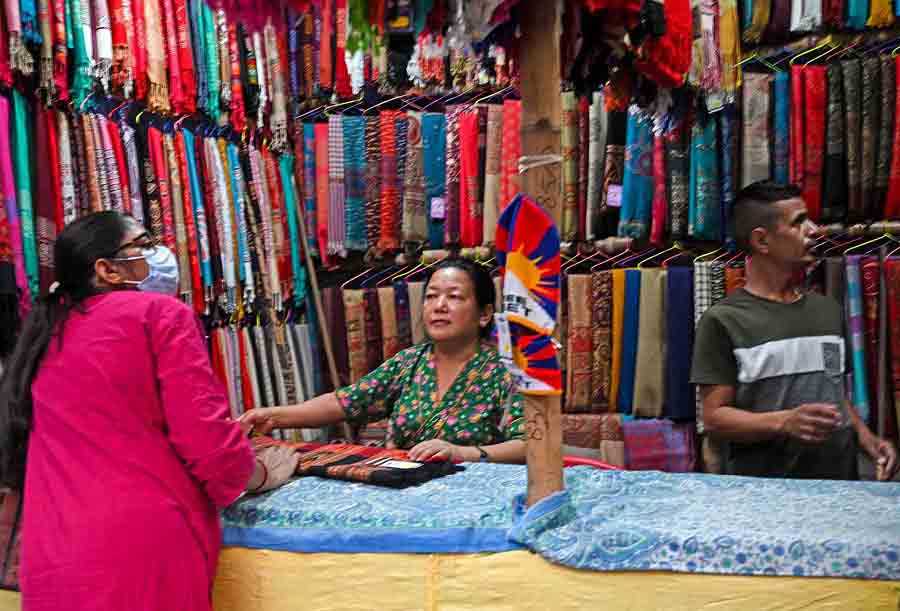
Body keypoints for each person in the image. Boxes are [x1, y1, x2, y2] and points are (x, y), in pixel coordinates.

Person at [0, 212, 297, 611]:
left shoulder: (44, 333)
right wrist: (260, 474)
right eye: (142, 245)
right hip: (137, 548)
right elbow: (206, 441)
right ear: (106, 269)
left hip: (53, 550)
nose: (157, 252)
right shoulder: (158, 315)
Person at [691, 182, 898, 480]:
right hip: (767, 494)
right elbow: (714, 419)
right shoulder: (724, 321)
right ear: (762, 241)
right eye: (799, 222)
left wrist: (867, 439)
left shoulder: (827, 310)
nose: (814, 230)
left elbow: (834, 390)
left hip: (839, 485)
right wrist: (784, 421)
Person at [240, 258, 527, 463]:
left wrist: (463, 453)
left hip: (473, 498)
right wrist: (274, 416)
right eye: (431, 296)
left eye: (454, 297)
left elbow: (527, 445)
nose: (439, 306)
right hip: (405, 489)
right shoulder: (408, 363)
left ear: (485, 313)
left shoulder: (505, 372)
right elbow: (344, 402)